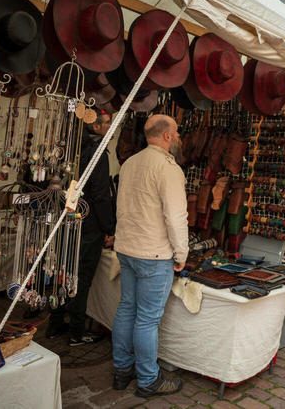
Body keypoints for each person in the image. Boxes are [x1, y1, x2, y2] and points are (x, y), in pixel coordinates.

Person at [112, 115, 188, 397]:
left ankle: (122, 371)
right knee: (146, 319)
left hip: (127, 248)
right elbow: (176, 217)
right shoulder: (169, 169)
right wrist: (181, 252)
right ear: (167, 136)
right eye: (176, 133)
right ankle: (148, 380)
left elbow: (122, 208)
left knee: (127, 309)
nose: (178, 137)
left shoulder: (130, 163)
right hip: (153, 253)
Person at [46, 111, 117, 344]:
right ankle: (77, 332)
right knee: (80, 278)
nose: (112, 126)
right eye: (108, 122)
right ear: (95, 127)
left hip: (65, 221)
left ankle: (55, 324)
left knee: (63, 272)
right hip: (87, 225)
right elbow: (100, 195)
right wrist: (109, 227)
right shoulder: (97, 153)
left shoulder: (70, 150)